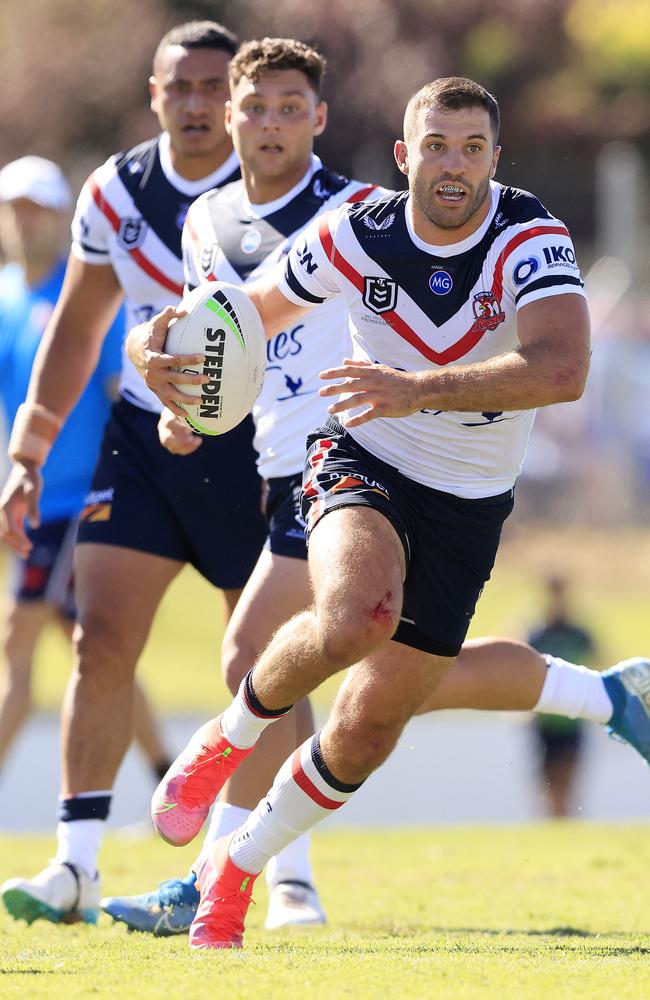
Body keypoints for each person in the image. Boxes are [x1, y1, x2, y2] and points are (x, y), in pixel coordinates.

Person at [126, 73, 650, 950]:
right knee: (354, 614)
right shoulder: (355, 231)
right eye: (437, 146)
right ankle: (225, 740)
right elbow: (248, 315)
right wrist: (166, 360)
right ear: (406, 155)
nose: (455, 167)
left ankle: (235, 872)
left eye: (473, 149)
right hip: (361, 457)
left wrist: (416, 390)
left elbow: (563, 370)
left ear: (493, 157)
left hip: (470, 506)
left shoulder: (530, 234)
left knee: (369, 728)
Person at [0, 23, 323, 932]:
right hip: (143, 444)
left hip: (254, 450)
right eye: (176, 86)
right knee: (98, 640)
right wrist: (26, 457)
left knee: (263, 663)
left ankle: (287, 869)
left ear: (237, 99)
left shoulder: (277, 191)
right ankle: (76, 865)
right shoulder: (116, 192)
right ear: (154, 94)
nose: (193, 103)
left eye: (210, 87)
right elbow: (76, 322)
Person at [0, 155, 171, 787]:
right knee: (98, 647)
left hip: (85, 501)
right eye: (14, 210)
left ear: (60, 218)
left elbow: (114, 393)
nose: (24, 223)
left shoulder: (79, 297)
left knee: (20, 638)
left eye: (36, 211)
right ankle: (170, 781)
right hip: (39, 501)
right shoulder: (4, 299)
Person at [526, 574, 597, 818]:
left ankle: (564, 824)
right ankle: (554, 826)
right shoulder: (536, 632)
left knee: (567, 781)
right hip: (545, 719)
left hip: (572, 718)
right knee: (547, 783)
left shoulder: (579, 634)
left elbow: (600, 665)